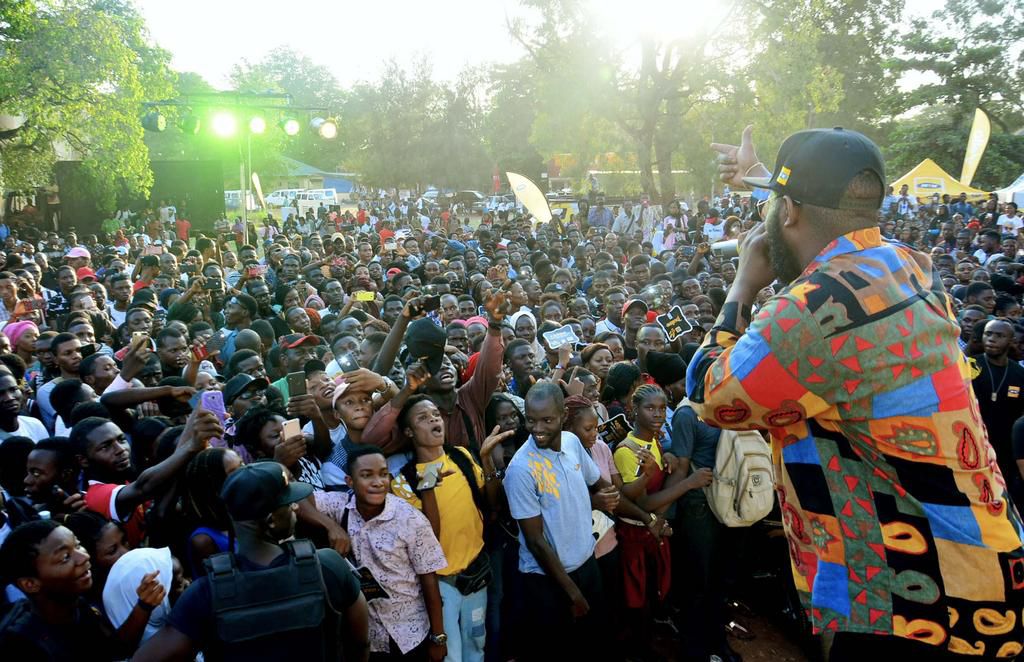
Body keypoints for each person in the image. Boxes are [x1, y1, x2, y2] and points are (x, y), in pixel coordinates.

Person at [693, 125, 1024, 657]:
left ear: (789, 212)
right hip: (978, 575)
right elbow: (809, 218)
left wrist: (741, 286)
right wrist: (761, 182)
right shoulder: (911, 266)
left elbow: (713, 395)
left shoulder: (810, 311)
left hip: (914, 606)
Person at [135, 461, 370, 661]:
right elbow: (360, 643)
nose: (295, 508)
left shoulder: (206, 593)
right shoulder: (328, 566)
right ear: (271, 521)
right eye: (288, 505)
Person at [502, 381, 617, 660]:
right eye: (531, 420)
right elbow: (536, 541)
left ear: (563, 416)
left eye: (547, 420)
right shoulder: (520, 469)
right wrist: (573, 593)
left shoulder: (572, 442)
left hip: (586, 563)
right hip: (549, 580)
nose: (537, 428)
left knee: (593, 643)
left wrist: (614, 498)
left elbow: (596, 484)